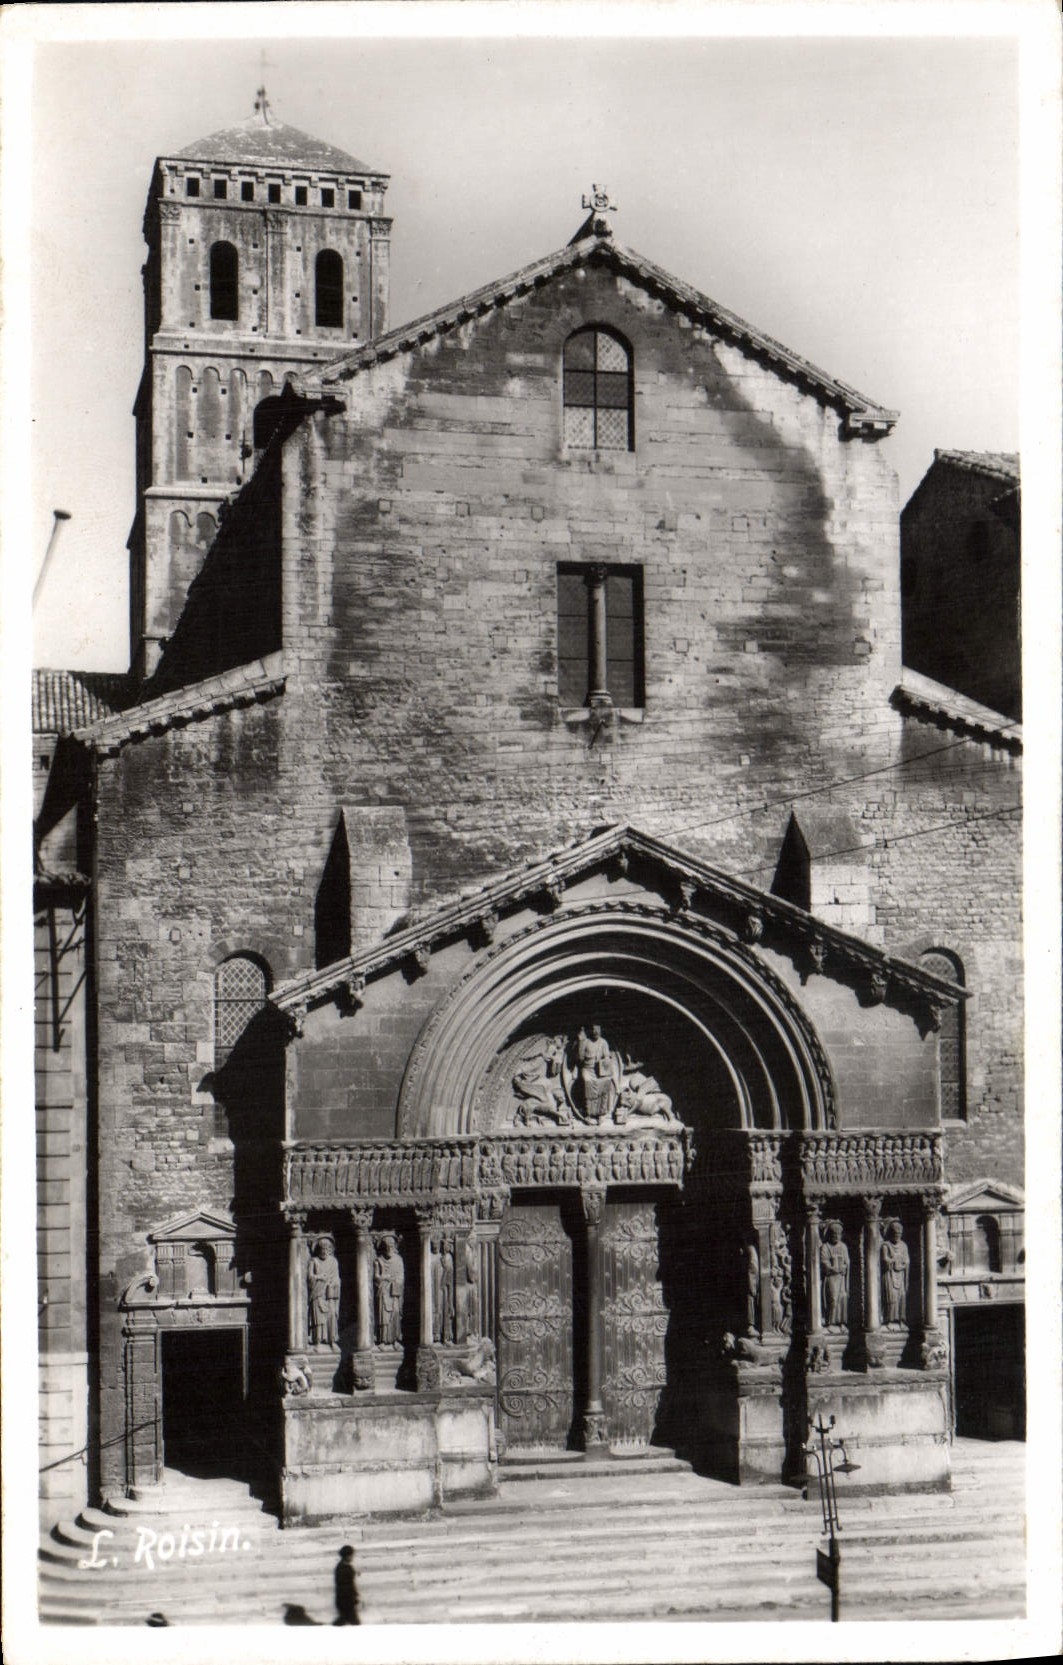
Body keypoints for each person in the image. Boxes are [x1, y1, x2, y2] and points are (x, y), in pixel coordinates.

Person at [307, 1237, 340, 1348]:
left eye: (327, 1249)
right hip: (318, 1293)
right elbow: (310, 1277)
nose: (324, 1251)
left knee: (331, 1316)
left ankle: (332, 1341)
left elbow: (337, 1278)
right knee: (319, 1318)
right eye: (322, 1249)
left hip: (329, 1294)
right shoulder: (314, 1261)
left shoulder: (333, 1262)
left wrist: (333, 1282)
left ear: (330, 1250)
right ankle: (318, 1341)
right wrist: (320, 1277)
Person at [374, 1235, 405, 1345]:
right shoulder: (379, 1260)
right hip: (384, 1291)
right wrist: (385, 1278)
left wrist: (395, 1281)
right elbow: (376, 1276)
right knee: (384, 1316)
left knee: (395, 1314)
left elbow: (401, 1277)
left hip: (395, 1292)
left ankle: (395, 1339)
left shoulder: (399, 1260)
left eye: (391, 1246)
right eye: (387, 1247)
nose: (389, 1249)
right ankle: (382, 1340)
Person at [820, 1220, 850, 1328]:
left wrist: (844, 1267)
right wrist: (833, 1268)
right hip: (831, 1278)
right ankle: (831, 1323)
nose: (837, 1236)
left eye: (839, 1234)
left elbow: (847, 1262)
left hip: (841, 1277)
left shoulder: (843, 1247)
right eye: (834, 1234)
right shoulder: (825, 1247)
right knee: (832, 1299)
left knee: (843, 1298)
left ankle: (841, 1322)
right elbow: (824, 1262)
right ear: (829, 1234)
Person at [881, 1218, 910, 1326]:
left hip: (900, 1274)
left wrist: (903, 1264)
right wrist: (894, 1259)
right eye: (895, 1233)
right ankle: (889, 1320)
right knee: (891, 1297)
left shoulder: (903, 1245)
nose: (898, 1235)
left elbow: (907, 1261)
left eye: (900, 1233)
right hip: (889, 1275)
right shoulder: (886, 1245)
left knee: (901, 1297)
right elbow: (884, 1259)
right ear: (891, 1233)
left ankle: (900, 1320)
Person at [334, 1545, 359, 1626]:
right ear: (347, 1556)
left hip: (343, 1600)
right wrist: (353, 1598)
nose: (353, 1557)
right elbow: (347, 1586)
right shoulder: (345, 1568)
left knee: (343, 1620)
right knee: (354, 1623)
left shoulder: (340, 1566)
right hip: (346, 1600)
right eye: (352, 1555)